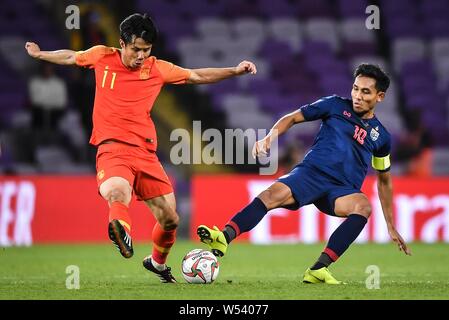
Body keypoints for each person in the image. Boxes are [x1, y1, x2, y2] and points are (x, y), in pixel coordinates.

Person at [25, 13, 257, 283]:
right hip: (112, 147)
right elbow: (71, 57)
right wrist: (41, 55)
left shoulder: (157, 68)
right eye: (136, 49)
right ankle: (121, 231)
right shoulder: (102, 56)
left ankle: (157, 264)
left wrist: (234, 70)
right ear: (122, 43)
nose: (141, 56)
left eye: (146, 50)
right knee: (117, 191)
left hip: (146, 154)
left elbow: (195, 75)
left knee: (170, 219)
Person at [197, 64, 411, 284]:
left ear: (380, 96)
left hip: (341, 191)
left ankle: (318, 269)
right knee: (270, 195)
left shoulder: (382, 138)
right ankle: (224, 237)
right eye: (355, 88)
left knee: (363, 206)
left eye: (365, 91)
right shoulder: (334, 105)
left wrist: (390, 224)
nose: (357, 95)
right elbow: (292, 118)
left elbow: (384, 181)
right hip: (310, 174)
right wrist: (269, 137)